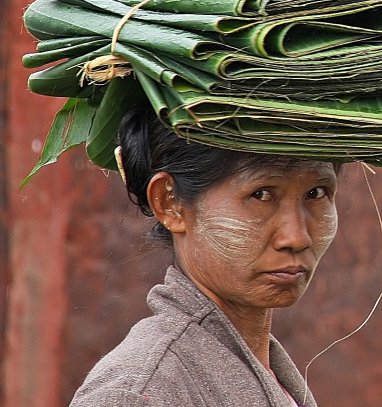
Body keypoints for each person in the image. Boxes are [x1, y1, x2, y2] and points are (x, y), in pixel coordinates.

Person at [70, 106, 339, 407]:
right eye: (262, 194)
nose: (297, 237)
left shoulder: (270, 375)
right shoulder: (140, 393)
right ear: (169, 203)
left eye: (316, 193)